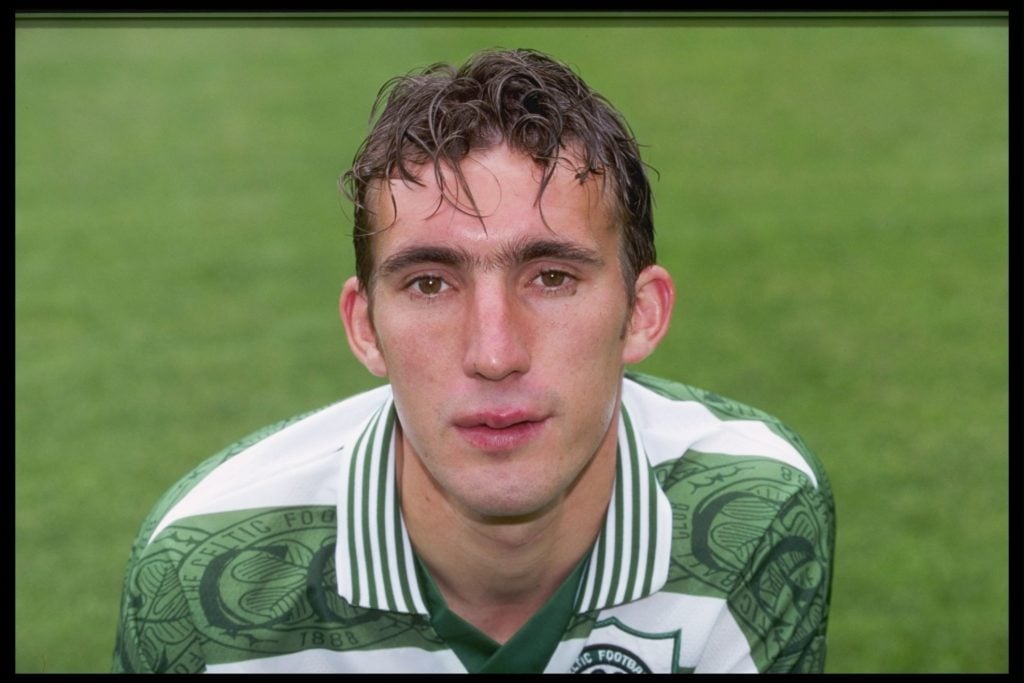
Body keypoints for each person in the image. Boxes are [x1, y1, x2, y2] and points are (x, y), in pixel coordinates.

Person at [112, 48, 835, 674]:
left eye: (551, 277)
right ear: (365, 327)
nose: (494, 353)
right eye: (430, 282)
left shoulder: (757, 507)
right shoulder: (196, 570)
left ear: (641, 313)